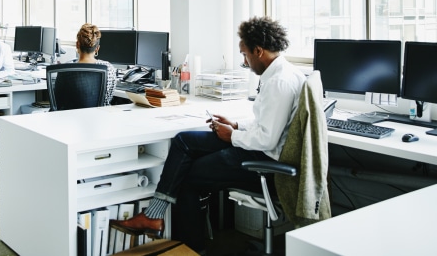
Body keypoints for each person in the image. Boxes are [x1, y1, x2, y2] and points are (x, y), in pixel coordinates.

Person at [109, 16, 305, 252]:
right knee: (183, 140)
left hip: (264, 160)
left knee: (187, 176)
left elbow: (267, 139)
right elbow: (266, 123)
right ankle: (154, 216)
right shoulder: (282, 73)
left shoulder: (279, 82)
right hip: (256, 147)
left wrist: (231, 135)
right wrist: (236, 125)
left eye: (245, 55)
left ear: (259, 50)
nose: (245, 61)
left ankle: (190, 249)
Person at [74, 23, 118, 106]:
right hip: (101, 117)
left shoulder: (65, 69)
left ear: (77, 45)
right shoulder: (108, 68)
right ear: (97, 48)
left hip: (70, 118)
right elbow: (108, 99)